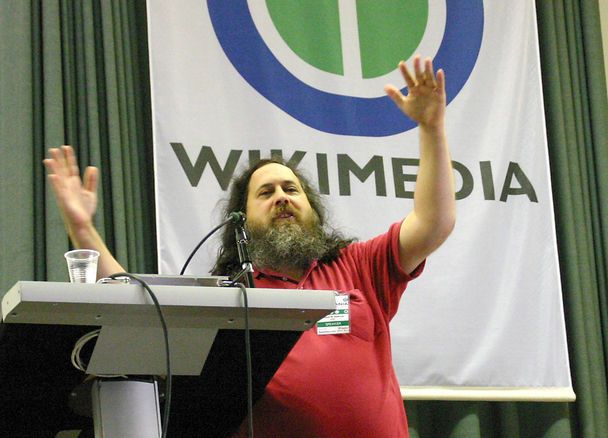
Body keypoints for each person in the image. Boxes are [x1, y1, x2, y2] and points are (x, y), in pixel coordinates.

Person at [44, 55, 455, 437]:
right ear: (241, 219)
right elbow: (135, 302)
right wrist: (82, 228)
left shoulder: (361, 266)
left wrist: (432, 129)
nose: (282, 197)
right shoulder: (231, 295)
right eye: (266, 192)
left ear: (313, 209)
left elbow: (434, 223)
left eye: (292, 189)